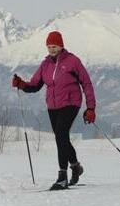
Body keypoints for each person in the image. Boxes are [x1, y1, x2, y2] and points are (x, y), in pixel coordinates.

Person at [12, 31, 96, 190]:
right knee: (61, 137)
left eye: (55, 46)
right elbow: (35, 85)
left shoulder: (73, 61)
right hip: (53, 106)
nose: (52, 49)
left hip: (71, 103)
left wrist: (90, 108)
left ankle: (62, 176)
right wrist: (21, 84)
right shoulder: (45, 64)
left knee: (61, 136)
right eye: (49, 46)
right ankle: (76, 166)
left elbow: (87, 84)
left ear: (61, 45)